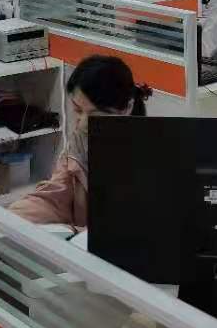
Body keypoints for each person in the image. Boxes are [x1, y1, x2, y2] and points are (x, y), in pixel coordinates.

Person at [9, 56, 150, 230]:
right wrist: (9, 219)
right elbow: (55, 196)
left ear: (127, 108)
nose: (82, 124)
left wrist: (74, 233)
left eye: (95, 115)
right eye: (77, 110)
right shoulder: (79, 143)